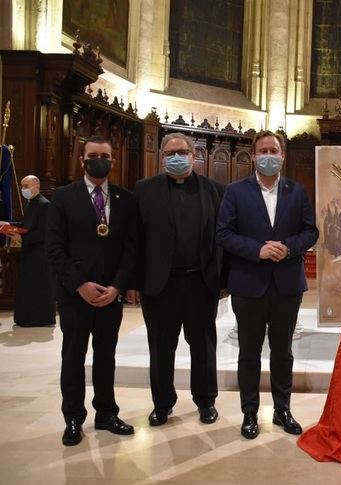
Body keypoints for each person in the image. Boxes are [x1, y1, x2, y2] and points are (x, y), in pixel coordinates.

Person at [217, 129, 319, 440]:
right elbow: (223, 234)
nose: (269, 156)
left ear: (283, 155)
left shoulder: (297, 192)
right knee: (248, 352)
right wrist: (257, 250)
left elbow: (310, 232)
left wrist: (288, 247)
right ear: (253, 155)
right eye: (263, 150)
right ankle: (250, 412)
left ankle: (282, 409)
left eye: (274, 151)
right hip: (248, 283)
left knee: (282, 351)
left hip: (287, 283)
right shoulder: (235, 192)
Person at [46, 135, 138, 446]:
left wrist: (118, 287)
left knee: (106, 357)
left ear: (113, 161)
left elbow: (131, 249)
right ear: (83, 160)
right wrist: (79, 285)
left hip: (110, 296)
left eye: (105, 155)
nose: (99, 159)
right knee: (73, 357)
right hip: (75, 296)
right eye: (93, 155)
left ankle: (106, 413)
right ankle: (73, 417)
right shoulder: (62, 197)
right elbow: (55, 249)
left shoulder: (126, 199)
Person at [130, 132, 226, 427]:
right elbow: (135, 240)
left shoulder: (215, 190)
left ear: (193, 155)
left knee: (203, 346)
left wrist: (224, 281)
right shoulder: (144, 190)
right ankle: (162, 403)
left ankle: (206, 401)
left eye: (182, 152)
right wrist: (133, 282)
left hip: (201, 282)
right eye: (170, 152)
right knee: (160, 347)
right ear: (162, 157)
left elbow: (222, 241)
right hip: (160, 285)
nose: (176, 157)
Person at [0, 175, 55, 326]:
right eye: (22, 186)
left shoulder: (45, 205)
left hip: (39, 254)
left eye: (26, 186)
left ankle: (39, 319)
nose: (23, 189)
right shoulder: (31, 204)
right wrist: (9, 224)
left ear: (36, 186)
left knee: (37, 287)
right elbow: (26, 225)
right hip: (30, 252)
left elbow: (43, 233)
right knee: (28, 286)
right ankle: (26, 318)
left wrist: (20, 236)